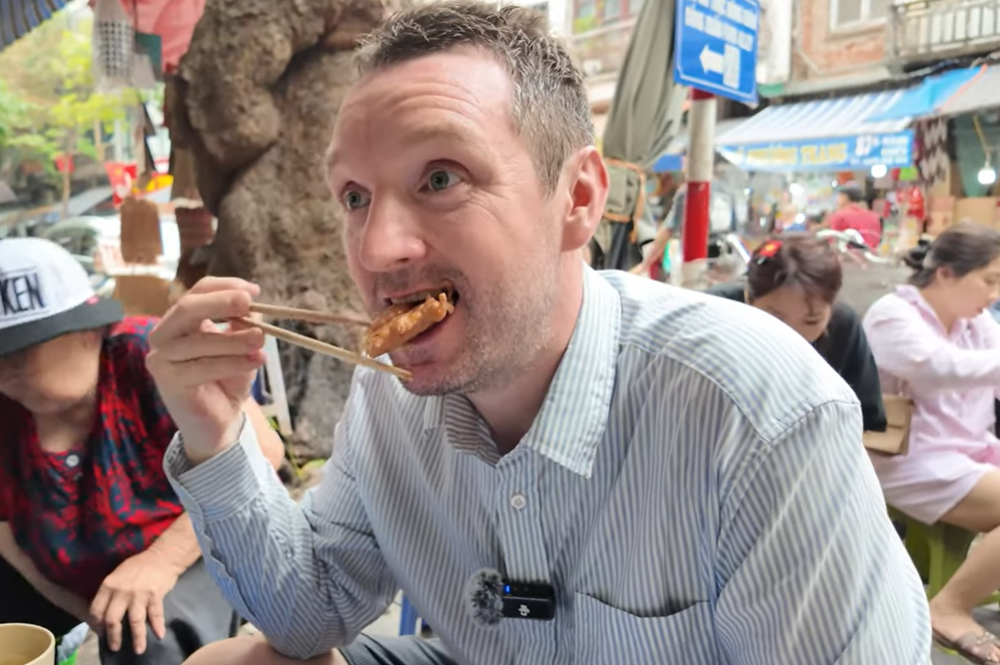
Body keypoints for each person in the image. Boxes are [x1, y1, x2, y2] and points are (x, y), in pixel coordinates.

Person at [150, 3, 928, 664]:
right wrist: (215, 435)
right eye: (354, 195)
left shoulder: (754, 412)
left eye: (441, 177)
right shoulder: (391, 399)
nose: (377, 247)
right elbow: (305, 609)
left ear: (578, 197)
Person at [0, 238, 285, 665]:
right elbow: (7, 533)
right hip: (76, 580)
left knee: (145, 631)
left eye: (16, 352)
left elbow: (264, 452)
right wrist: (84, 612)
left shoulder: (150, 357)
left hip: (192, 555)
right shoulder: (0, 405)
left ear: (87, 331)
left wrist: (160, 562)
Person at [863, 223, 1000, 662]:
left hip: (970, 452)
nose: (994, 295)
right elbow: (941, 368)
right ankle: (950, 607)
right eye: (990, 280)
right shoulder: (891, 315)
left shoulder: (976, 324)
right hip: (906, 461)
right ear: (945, 273)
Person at [707, 235, 887, 432]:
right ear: (749, 298)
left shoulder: (842, 325)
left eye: (812, 320)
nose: (793, 335)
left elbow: (867, 420)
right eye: (775, 318)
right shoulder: (715, 314)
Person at [828, 183, 882, 249]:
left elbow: (834, 242)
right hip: (872, 256)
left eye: (839, 196)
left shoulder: (839, 216)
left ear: (844, 197)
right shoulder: (874, 216)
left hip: (849, 256)